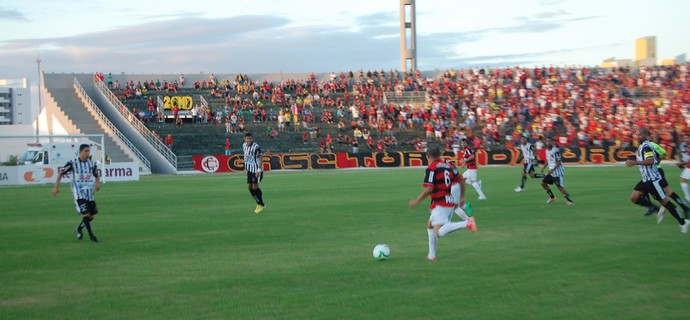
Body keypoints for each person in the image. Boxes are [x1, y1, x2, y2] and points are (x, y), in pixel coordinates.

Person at [409, 145, 477, 261]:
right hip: (448, 201)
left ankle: (467, 223)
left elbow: (429, 189)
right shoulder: (448, 164)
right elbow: (461, 180)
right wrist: (462, 197)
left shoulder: (432, 168)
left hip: (440, 203)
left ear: (428, 156)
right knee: (430, 224)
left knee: (439, 231)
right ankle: (431, 255)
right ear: (440, 155)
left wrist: (416, 201)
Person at [626, 127, 689, 233]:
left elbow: (650, 161)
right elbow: (658, 157)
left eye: (640, 135)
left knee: (665, 202)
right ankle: (653, 208)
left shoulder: (646, 147)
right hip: (646, 179)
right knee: (634, 198)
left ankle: (683, 222)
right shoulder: (643, 146)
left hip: (653, 181)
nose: (638, 137)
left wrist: (634, 163)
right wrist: (655, 165)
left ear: (646, 135)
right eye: (637, 135)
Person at [51, 144, 101, 242]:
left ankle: (79, 229)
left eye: (89, 151)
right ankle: (92, 237)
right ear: (80, 152)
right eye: (86, 151)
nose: (88, 153)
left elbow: (96, 175)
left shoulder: (92, 164)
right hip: (78, 193)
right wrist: (56, 187)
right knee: (85, 214)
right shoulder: (72, 163)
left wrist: (97, 184)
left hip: (89, 193)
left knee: (91, 216)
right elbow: (61, 173)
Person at [540, 136, 574, 205]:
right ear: (546, 142)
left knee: (559, 186)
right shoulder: (547, 151)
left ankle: (570, 200)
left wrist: (552, 169)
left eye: (550, 141)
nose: (548, 142)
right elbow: (548, 160)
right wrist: (543, 168)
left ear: (552, 142)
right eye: (547, 141)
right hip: (551, 171)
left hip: (558, 171)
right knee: (543, 183)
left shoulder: (556, 150)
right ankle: (552, 197)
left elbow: (558, 162)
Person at [243, 133, 266, 214]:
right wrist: (245, 167)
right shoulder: (244, 145)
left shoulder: (256, 147)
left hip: (256, 170)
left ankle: (261, 204)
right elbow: (246, 156)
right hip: (250, 169)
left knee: (255, 187)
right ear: (245, 139)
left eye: (250, 138)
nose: (249, 140)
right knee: (249, 187)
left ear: (252, 139)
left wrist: (259, 169)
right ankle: (258, 203)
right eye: (247, 139)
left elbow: (261, 157)